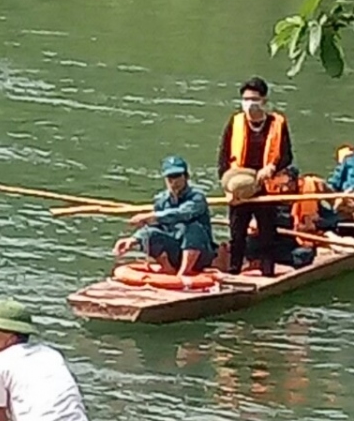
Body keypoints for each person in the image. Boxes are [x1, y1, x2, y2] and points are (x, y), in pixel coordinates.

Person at [216, 76, 295, 276]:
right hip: (240, 187)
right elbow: (223, 158)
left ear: (264, 101)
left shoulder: (277, 123)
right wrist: (227, 188)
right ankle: (234, 272)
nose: (250, 104)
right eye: (246, 99)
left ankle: (268, 273)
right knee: (237, 234)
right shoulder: (235, 123)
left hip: (265, 187)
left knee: (267, 234)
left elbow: (287, 155)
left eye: (254, 99)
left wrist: (273, 167)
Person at [112, 155, 217, 275]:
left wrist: (151, 216)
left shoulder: (197, 197)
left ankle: (185, 271)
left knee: (193, 228)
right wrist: (134, 239)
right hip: (175, 248)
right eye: (170, 178)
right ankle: (168, 268)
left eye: (178, 176)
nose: (174, 182)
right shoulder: (161, 200)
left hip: (200, 252)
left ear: (186, 177)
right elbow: (157, 227)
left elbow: (182, 214)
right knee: (148, 233)